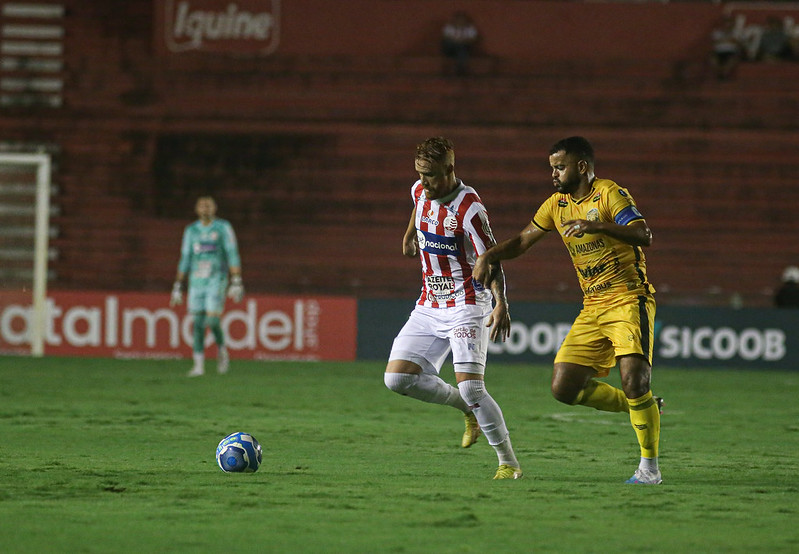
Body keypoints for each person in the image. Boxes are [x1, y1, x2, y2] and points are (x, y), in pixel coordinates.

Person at [473, 136, 662, 485]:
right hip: (592, 307)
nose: (554, 174)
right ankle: (639, 405)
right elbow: (522, 240)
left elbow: (643, 234)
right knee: (564, 388)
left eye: (559, 167)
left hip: (627, 299)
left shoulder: (609, 194)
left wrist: (598, 225)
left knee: (635, 379)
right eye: (552, 168)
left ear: (581, 167)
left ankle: (648, 469)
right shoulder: (555, 205)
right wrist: (490, 255)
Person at [384, 137, 522, 480]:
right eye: (419, 173)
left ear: (450, 169)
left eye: (430, 174)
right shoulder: (420, 190)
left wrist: (501, 301)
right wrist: (409, 233)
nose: (424, 181)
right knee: (397, 378)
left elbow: (491, 258)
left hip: (467, 304)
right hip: (429, 304)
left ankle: (509, 463)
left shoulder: (470, 208)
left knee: (473, 387)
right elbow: (418, 205)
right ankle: (466, 410)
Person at [170, 196, 244, 377]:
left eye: (208, 205)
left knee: (212, 320)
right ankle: (198, 366)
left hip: (216, 279)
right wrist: (178, 285)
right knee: (197, 323)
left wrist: (236, 280)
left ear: (215, 208)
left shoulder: (223, 227)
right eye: (202, 205)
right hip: (196, 282)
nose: (205, 208)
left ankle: (221, 349)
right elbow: (185, 257)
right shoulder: (191, 230)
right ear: (196, 209)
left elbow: (232, 253)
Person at [441, 11, 479, 76]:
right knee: (453, 44)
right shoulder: (449, 28)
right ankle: (461, 66)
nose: (460, 21)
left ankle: (460, 67)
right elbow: (446, 37)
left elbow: (473, 39)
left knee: (461, 48)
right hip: (450, 49)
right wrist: (458, 41)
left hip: (464, 48)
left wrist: (461, 42)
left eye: (462, 19)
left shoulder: (470, 28)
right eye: (458, 19)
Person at [710, 15, 744, 80]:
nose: (727, 25)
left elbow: (738, 43)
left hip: (731, 51)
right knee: (712, 59)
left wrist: (723, 40)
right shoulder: (717, 33)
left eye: (729, 23)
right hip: (719, 51)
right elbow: (714, 42)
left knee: (731, 60)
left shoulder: (736, 33)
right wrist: (729, 40)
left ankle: (723, 75)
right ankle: (720, 73)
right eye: (726, 23)